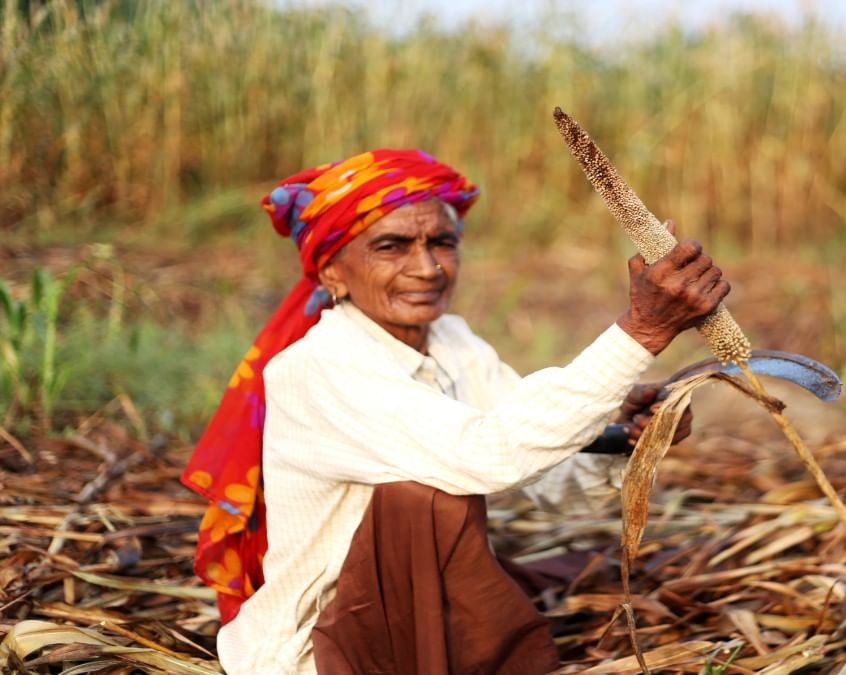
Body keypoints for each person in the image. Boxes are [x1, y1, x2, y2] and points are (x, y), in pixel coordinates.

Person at [180, 148, 730, 674]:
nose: (427, 268)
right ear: (333, 274)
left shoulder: (451, 339)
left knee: (438, 488)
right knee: (425, 496)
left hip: (414, 618)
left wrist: (620, 436)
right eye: (391, 247)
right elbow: (490, 456)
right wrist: (640, 334)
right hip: (320, 652)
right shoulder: (319, 367)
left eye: (442, 242)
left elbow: (546, 480)